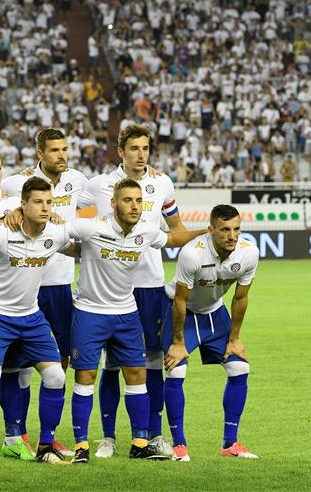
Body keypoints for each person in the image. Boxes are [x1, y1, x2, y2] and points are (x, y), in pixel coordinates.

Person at [65, 178, 205, 463]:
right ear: (113, 203)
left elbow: (172, 239)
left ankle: (140, 442)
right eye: (128, 200)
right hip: (90, 312)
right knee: (86, 377)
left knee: (138, 375)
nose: (134, 206)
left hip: (127, 314)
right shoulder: (91, 228)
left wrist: (205, 231)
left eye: (139, 201)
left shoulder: (147, 230)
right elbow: (56, 232)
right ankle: (81, 445)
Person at [78, 123, 186, 459]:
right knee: (109, 364)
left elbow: (176, 230)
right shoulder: (98, 186)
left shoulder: (161, 183)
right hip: (108, 289)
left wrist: (205, 239)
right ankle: (108, 437)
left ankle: (151, 435)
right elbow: (79, 228)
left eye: (146, 149)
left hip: (150, 285)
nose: (141, 155)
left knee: (151, 361)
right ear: (120, 152)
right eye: (134, 149)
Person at [0, 177, 78, 469]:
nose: (44, 208)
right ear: (23, 205)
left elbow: (84, 244)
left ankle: (45, 446)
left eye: (49, 202)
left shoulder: (56, 234)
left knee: (56, 377)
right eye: (38, 202)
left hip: (31, 317)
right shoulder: (0, 234)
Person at [0, 128, 88, 458]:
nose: (61, 155)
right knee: (20, 364)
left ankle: (46, 436)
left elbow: (112, 195)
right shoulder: (15, 184)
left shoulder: (78, 180)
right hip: (26, 286)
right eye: (54, 150)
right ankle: (16, 434)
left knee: (59, 363)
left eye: (65, 149)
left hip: (61, 285)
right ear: (40, 153)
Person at [162, 205, 259, 462]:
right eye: (225, 230)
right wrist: (178, 342)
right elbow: (181, 300)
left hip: (215, 314)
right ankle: (178, 445)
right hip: (181, 311)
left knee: (240, 368)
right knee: (176, 368)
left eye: (237, 229)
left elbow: (240, 298)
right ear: (211, 230)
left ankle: (230, 443)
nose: (232, 236)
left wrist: (235, 339)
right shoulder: (192, 254)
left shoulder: (248, 253)